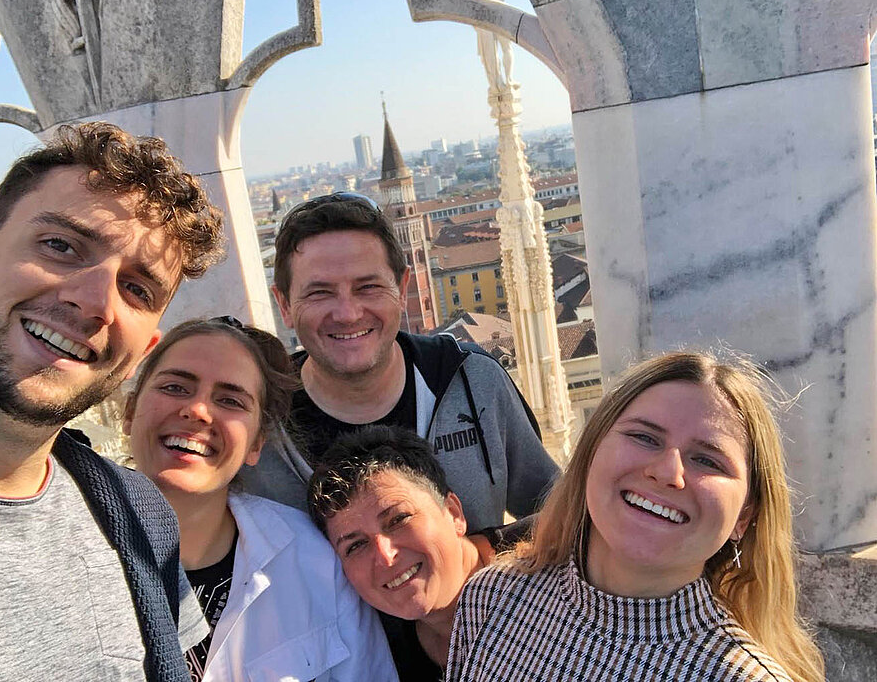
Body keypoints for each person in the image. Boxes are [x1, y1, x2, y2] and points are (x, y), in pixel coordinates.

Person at [0, 122, 224, 681]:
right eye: (61, 246)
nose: (96, 301)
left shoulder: (140, 517)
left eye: (138, 290)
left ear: (144, 349)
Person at [446, 352, 825, 682]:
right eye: (645, 437)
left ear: (744, 516)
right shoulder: (492, 598)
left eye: (707, 460)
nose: (667, 472)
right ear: (590, 452)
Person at [245, 192, 559, 534]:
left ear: (402, 287)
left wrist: (482, 554)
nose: (348, 314)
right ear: (285, 305)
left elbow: (561, 517)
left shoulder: (472, 381)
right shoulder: (256, 421)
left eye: (368, 287)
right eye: (319, 293)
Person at [125, 317, 398, 682]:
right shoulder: (61, 563)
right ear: (129, 412)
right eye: (175, 387)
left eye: (230, 400)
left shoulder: (313, 561)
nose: (198, 410)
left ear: (256, 444)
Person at [309, 425, 494, 681]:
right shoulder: (381, 656)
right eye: (355, 546)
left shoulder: (558, 569)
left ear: (453, 513)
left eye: (398, 520)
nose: (385, 555)